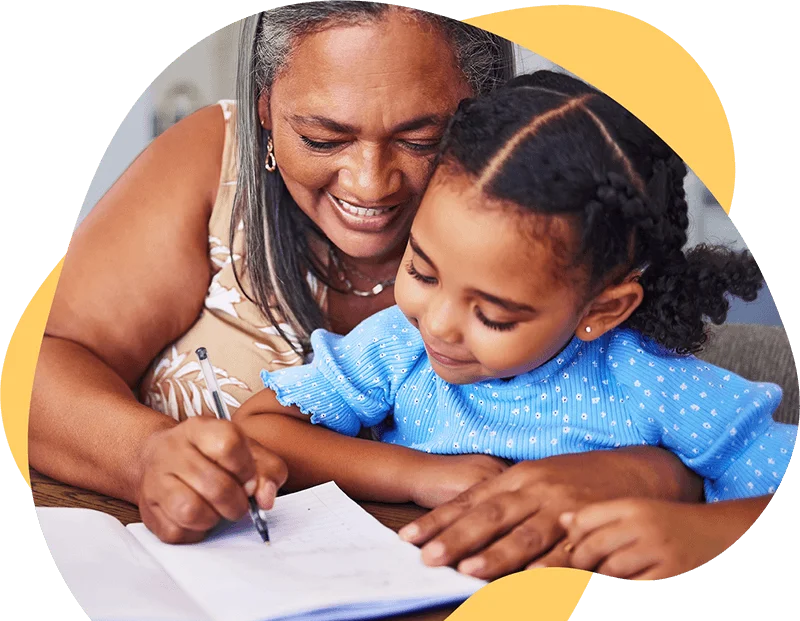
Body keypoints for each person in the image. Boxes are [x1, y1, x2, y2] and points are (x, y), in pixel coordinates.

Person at [30, 4, 702, 550]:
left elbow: (667, 406)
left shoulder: (556, 232)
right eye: (323, 139)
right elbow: (36, 364)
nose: (370, 184)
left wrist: (657, 474)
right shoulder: (211, 164)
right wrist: (146, 455)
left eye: (421, 140)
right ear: (266, 110)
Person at [233, 70, 795, 581]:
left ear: (601, 311)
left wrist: (701, 531)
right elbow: (260, 427)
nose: (439, 324)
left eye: (494, 316)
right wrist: (414, 474)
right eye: (421, 271)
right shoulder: (397, 348)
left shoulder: (649, 381)